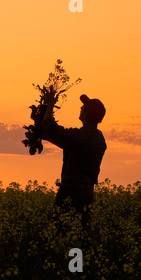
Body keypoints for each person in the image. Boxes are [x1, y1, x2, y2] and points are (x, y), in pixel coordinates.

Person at [40, 93, 107, 232]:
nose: (81, 108)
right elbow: (61, 137)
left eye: (84, 107)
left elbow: (54, 131)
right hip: (87, 194)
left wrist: (50, 105)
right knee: (83, 235)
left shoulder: (82, 137)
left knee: (59, 232)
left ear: (86, 114)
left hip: (70, 193)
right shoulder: (99, 137)